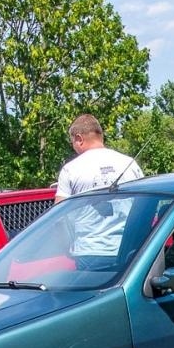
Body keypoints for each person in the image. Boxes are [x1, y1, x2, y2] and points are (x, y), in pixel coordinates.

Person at [56, 114, 144, 267]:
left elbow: (59, 214)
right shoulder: (130, 164)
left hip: (90, 251)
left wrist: (66, 247)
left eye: (73, 142)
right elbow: (145, 208)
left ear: (79, 138)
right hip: (131, 249)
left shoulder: (71, 169)